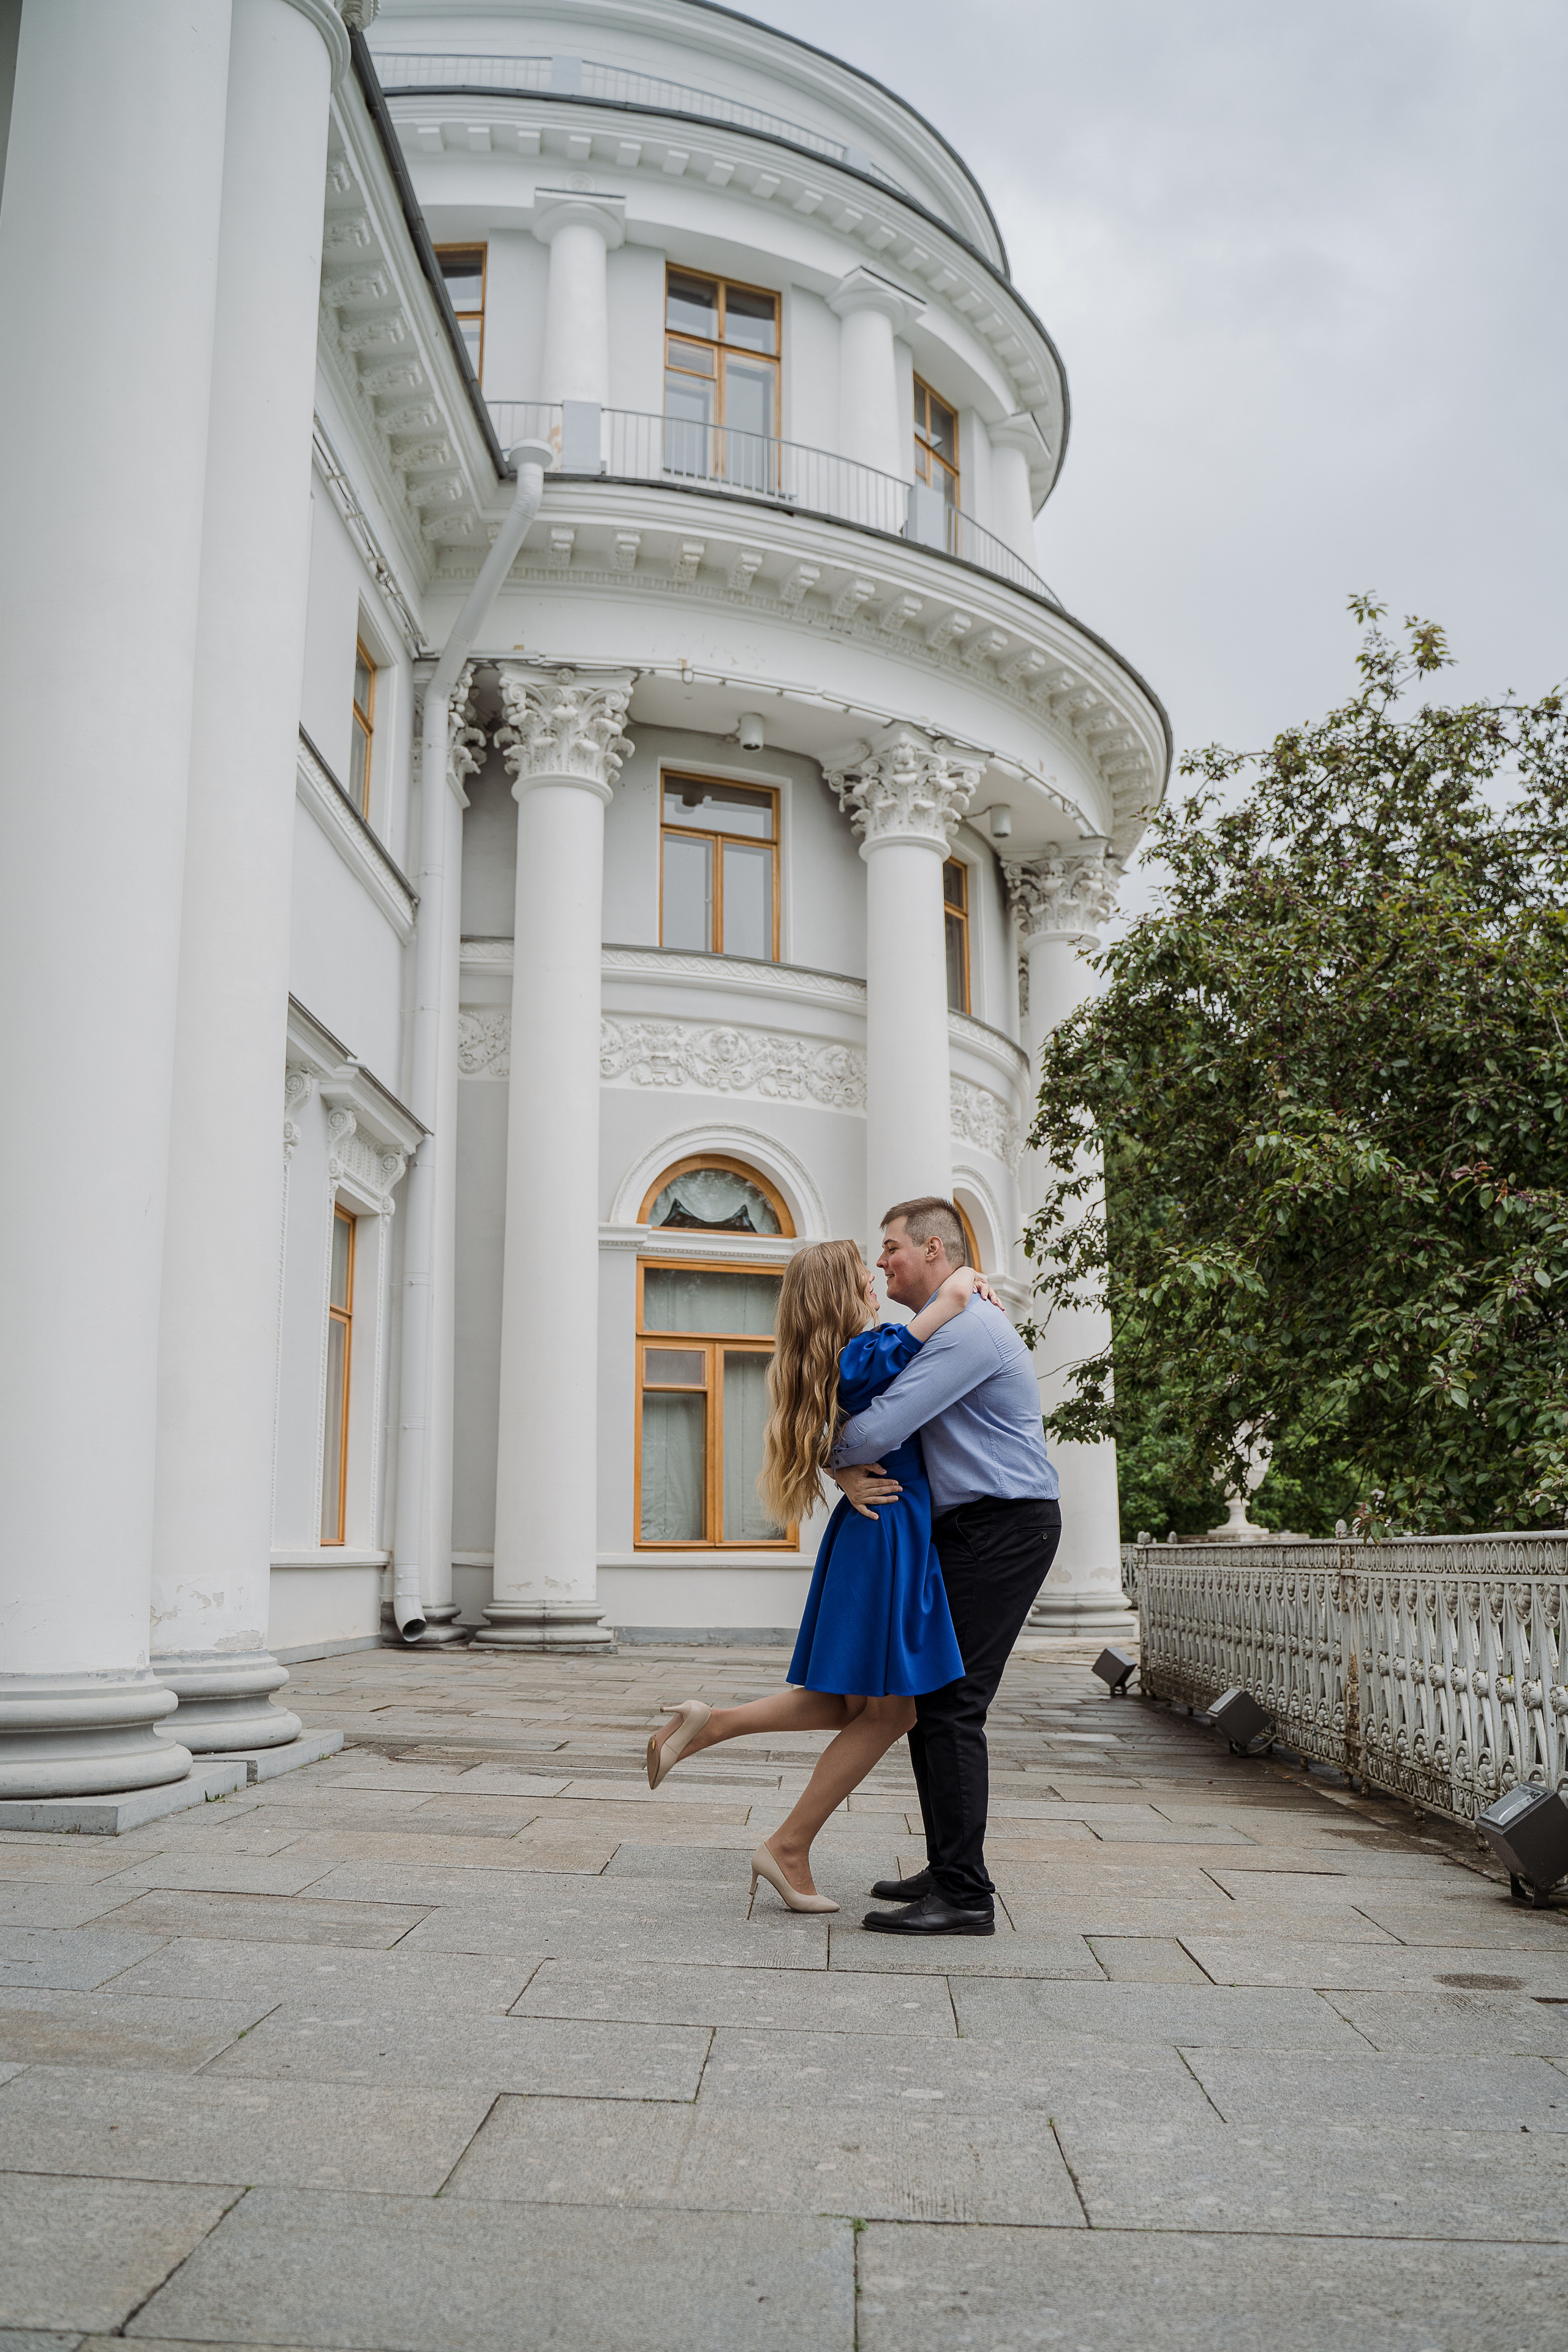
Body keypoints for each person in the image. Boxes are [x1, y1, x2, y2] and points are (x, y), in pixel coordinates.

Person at [645, 1236, 991, 1914]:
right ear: (841, 1292)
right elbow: (913, 1337)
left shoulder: (835, 1359)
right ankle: (788, 1845)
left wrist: (837, 1465)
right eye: (865, 1273)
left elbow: (835, 1420)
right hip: (888, 1533)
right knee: (894, 1711)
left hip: (878, 1531)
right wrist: (961, 1283)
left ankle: (711, 1725)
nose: (875, 1279)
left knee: (852, 1704)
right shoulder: (863, 1354)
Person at [831, 1196, 1061, 1937]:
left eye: (891, 1246)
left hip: (1002, 1525)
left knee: (953, 1704)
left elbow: (874, 1432)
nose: (881, 1262)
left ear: (933, 1249)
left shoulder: (967, 1331)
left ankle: (964, 1894)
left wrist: (824, 1451)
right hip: (975, 1527)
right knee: (935, 1701)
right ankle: (949, 1867)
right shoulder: (947, 1322)